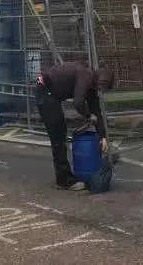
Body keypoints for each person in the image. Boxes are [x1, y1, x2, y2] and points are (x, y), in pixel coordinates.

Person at [36, 60, 114, 190]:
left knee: (60, 133)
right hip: (45, 91)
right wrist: (88, 116)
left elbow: (96, 112)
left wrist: (103, 136)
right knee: (58, 136)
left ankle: (65, 177)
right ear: (99, 81)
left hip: (51, 94)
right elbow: (78, 103)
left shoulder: (91, 85)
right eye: (101, 88)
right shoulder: (86, 76)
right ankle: (64, 181)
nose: (100, 91)